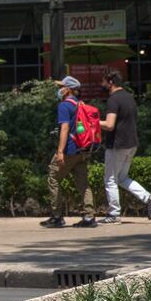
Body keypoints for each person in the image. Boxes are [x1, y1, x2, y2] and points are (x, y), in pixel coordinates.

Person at [98, 68, 151, 224]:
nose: (101, 84)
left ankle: (113, 214)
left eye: (103, 81)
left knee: (110, 180)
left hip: (117, 144)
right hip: (131, 144)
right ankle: (148, 198)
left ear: (110, 82)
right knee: (122, 177)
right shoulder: (129, 97)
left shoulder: (113, 100)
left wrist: (92, 123)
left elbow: (110, 125)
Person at [40, 76, 96, 228]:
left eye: (61, 87)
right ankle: (89, 217)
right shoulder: (80, 104)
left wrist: (60, 151)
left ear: (68, 89)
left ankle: (57, 216)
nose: (59, 89)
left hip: (70, 149)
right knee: (83, 184)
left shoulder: (64, 106)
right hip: (83, 150)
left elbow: (64, 128)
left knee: (53, 177)